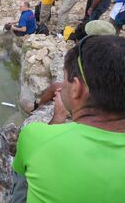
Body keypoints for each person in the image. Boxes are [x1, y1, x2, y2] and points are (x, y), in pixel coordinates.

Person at [12, 35, 125, 203]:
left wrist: (57, 119)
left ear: (77, 89)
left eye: (64, 79)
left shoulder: (35, 136)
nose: (60, 85)